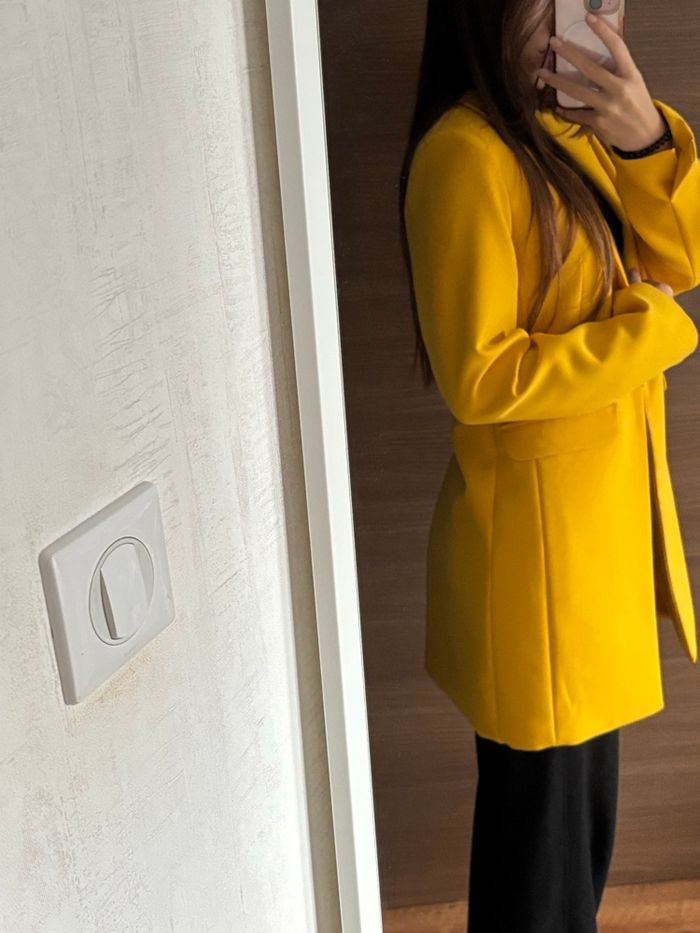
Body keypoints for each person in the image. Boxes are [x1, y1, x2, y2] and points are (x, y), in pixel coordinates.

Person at [398, 1, 700, 930]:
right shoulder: (466, 154)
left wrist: (645, 139)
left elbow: (681, 257)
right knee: (542, 872)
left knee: (570, 848)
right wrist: (647, 328)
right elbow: (481, 376)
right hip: (541, 577)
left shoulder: (575, 132)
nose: (591, 21)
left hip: (591, 555)